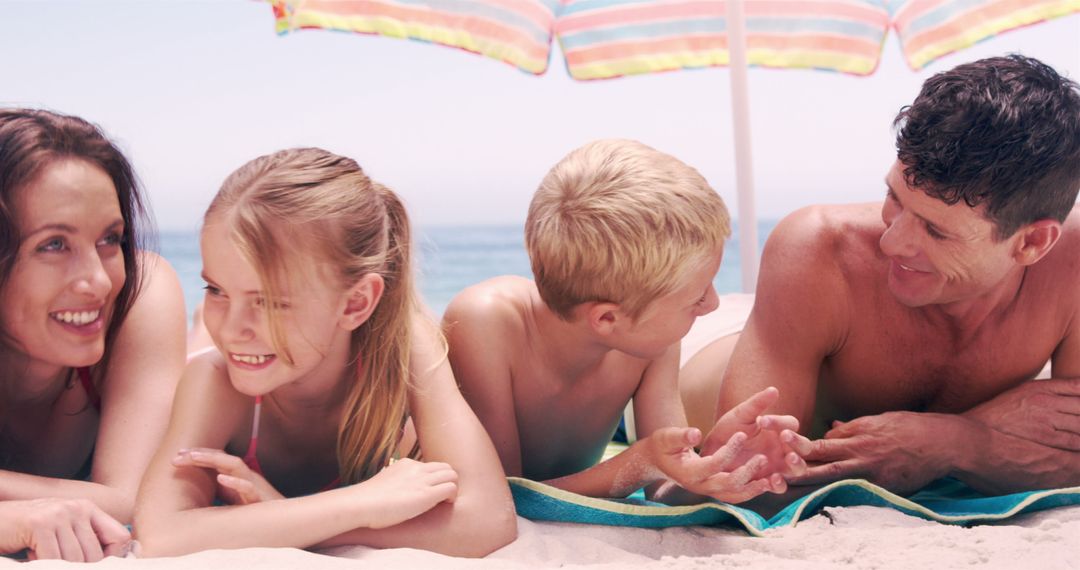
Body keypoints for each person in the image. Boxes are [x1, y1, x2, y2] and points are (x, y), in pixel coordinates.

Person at [682, 55, 1080, 496]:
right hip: (687, 360)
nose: (891, 243)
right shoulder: (818, 248)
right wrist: (977, 436)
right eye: (894, 197)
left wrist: (952, 440)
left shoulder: (1073, 264)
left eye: (935, 230)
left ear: (1031, 244)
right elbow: (754, 477)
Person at [134, 147, 516, 557]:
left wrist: (281, 518)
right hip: (246, 363)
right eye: (216, 290)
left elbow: (488, 520)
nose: (231, 327)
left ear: (355, 304)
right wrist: (361, 505)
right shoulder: (215, 380)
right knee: (207, 348)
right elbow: (161, 534)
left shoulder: (405, 351)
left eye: (269, 301)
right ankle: (199, 323)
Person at [444, 139, 807, 505]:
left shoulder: (649, 341)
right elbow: (499, 495)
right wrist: (640, 461)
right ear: (606, 318)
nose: (713, 303)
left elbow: (664, 489)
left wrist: (711, 467)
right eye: (696, 297)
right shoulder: (486, 322)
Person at [0, 108, 187, 561]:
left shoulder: (140, 294)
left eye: (110, 240)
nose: (100, 282)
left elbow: (136, 500)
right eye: (54, 245)